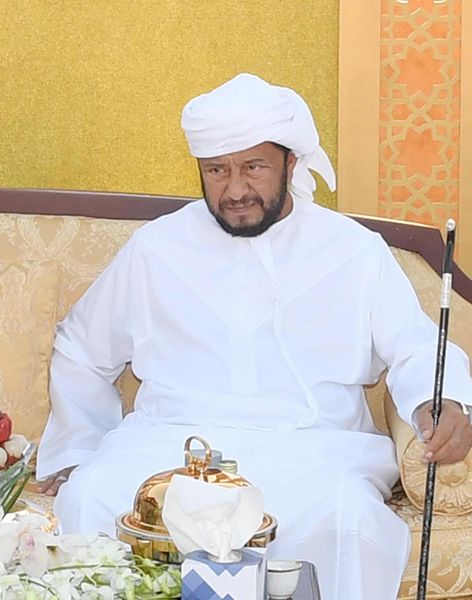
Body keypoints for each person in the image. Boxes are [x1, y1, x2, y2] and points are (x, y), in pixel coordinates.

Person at [36, 73, 472, 600]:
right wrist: (77, 449)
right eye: (216, 170)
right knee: (90, 497)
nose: (235, 189)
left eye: (253, 167)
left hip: (315, 452)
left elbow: (416, 345)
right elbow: (82, 350)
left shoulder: (352, 250)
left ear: (291, 162)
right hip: (169, 449)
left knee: (346, 517)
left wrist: (439, 400)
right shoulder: (157, 247)